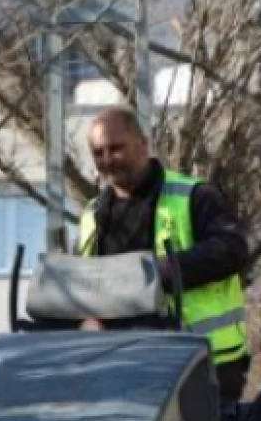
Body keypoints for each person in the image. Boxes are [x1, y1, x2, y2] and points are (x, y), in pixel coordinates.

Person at [78, 105, 252, 401]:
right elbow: (88, 282)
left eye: (116, 148)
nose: (107, 159)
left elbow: (232, 250)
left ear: (143, 144)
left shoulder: (195, 196)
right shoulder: (93, 214)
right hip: (123, 363)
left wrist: (160, 272)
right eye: (98, 152)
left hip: (202, 360)